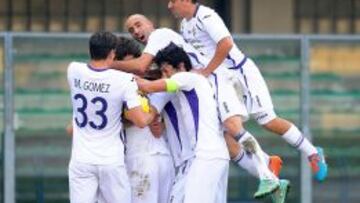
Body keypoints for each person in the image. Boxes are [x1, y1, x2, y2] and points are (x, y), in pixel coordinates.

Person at [111, 14, 285, 199]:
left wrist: (106, 69)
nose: (136, 31)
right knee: (226, 138)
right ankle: (268, 167)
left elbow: (143, 74)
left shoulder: (181, 71)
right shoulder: (171, 82)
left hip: (204, 152)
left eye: (138, 25)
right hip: (198, 158)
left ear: (150, 24)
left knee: (233, 127)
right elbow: (150, 93)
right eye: (131, 30)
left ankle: (267, 172)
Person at [167, 0, 327, 183]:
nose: (170, 6)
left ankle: (313, 153)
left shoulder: (206, 16)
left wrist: (206, 71)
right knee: (226, 132)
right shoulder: (184, 26)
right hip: (221, 81)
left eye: (173, 1)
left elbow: (226, 43)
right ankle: (267, 167)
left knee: (268, 121)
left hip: (240, 74)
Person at [67, 31, 154, 203]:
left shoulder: (73, 70)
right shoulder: (124, 80)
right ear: (112, 53)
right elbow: (141, 121)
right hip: (110, 160)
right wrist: (154, 111)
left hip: (81, 159)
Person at [136, 43, 230, 203]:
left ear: (180, 66)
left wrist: (119, 78)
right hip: (205, 157)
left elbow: (149, 86)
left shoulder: (186, 77)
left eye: (166, 71)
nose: (164, 75)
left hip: (206, 156)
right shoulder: (188, 87)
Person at [115, 36, 175, 203]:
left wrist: (159, 123)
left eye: (134, 65)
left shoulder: (152, 84)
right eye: (126, 67)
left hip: (155, 158)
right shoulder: (117, 88)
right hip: (142, 156)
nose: (132, 72)